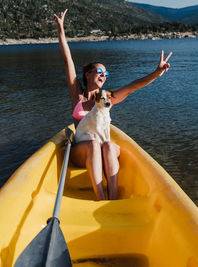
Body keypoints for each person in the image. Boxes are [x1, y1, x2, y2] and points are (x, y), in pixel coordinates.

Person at [54, 9, 172, 201]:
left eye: (106, 74)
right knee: (93, 144)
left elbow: (133, 86)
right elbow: (68, 59)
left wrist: (156, 73)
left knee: (108, 145)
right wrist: (60, 29)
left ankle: (113, 197)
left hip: (103, 149)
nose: (103, 75)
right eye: (99, 71)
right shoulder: (78, 95)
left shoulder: (108, 97)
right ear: (88, 74)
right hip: (83, 151)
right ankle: (100, 197)